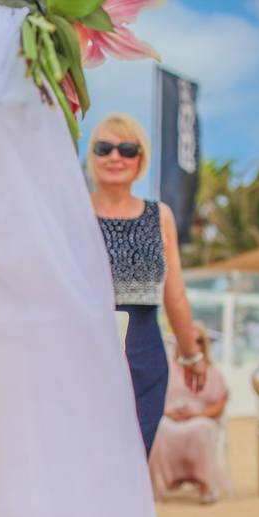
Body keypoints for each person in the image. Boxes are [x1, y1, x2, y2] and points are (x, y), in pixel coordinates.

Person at [89, 112, 206, 456]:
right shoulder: (73, 212)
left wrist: (191, 354)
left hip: (144, 356)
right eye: (104, 147)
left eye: (127, 149)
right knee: (88, 459)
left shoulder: (161, 216)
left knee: (134, 463)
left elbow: (176, 296)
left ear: (141, 159)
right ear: (91, 156)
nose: (115, 156)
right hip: (84, 352)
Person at [150, 324, 229, 503]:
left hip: (200, 418)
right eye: (186, 340)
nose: (192, 345)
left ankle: (205, 485)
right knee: (160, 428)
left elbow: (220, 403)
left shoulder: (213, 373)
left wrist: (196, 415)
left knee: (201, 429)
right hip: (168, 417)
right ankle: (161, 485)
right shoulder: (165, 369)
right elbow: (153, 395)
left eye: (198, 341)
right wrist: (167, 412)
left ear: (204, 346)